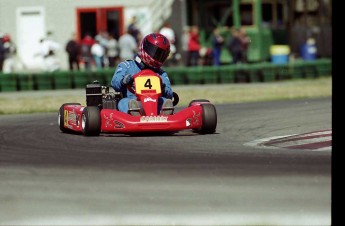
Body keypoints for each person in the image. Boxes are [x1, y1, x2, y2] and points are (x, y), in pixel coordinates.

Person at [111, 33, 173, 116]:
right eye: (155, 52)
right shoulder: (127, 65)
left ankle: (164, 113)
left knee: (165, 100)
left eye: (161, 55)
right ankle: (134, 112)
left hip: (154, 103)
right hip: (132, 100)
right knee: (123, 102)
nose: (157, 57)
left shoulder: (161, 73)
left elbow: (170, 94)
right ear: (145, 47)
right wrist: (124, 81)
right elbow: (114, 83)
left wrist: (162, 87)